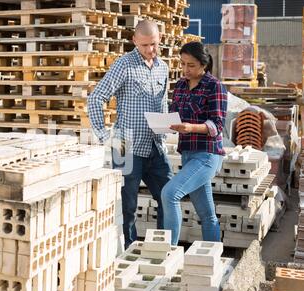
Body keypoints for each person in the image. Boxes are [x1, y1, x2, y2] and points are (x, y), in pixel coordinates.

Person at [87, 20, 173, 249]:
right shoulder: (123, 65)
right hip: (125, 145)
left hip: (155, 146)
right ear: (134, 41)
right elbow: (96, 98)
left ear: (159, 39)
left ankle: (164, 250)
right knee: (127, 207)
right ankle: (128, 252)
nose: (149, 50)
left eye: (153, 44)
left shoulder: (163, 68)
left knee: (169, 197)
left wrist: (165, 135)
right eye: (144, 45)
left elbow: (163, 104)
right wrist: (105, 137)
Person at [161, 41, 228, 245]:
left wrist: (191, 127)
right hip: (188, 154)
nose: (185, 69)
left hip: (207, 156)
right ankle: (214, 255)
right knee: (206, 214)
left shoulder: (214, 86)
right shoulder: (180, 85)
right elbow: (175, 114)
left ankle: (168, 253)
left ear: (204, 64)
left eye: (190, 65)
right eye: (182, 64)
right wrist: (165, 123)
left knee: (169, 194)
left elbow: (217, 124)